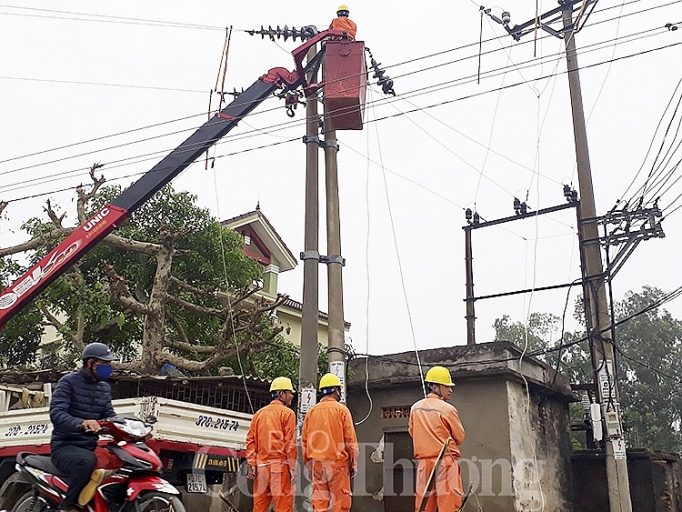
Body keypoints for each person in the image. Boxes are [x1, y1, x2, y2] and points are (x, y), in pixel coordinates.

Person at [49, 342, 117, 512]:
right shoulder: (68, 382)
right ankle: (68, 507)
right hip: (65, 446)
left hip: (89, 446)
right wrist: (81, 423)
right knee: (86, 461)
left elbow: (110, 416)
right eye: (105, 363)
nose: (109, 367)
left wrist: (134, 428)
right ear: (90, 363)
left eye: (110, 363)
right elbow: (57, 414)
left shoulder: (104, 388)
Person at [408, 366, 466, 512]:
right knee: (448, 505)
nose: (450, 389)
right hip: (445, 462)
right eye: (446, 386)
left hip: (423, 464)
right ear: (434, 387)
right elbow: (460, 437)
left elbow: (412, 433)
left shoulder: (415, 408)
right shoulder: (448, 409)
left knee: (424, 506)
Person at [302, 373, 358, 512]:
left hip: (317, 465)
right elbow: (350, 439)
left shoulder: (311, 412)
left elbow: (305, 442)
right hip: (338, 464)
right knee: (341, 503)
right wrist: (353, 462)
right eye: (339, 390)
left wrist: (309, 466)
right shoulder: (342, 410)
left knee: (320, 503)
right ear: (336, 390)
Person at [246, 376, 297, 512]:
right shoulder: (288, 414)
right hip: (279, 468)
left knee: (259, 507)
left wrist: (252, 464)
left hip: (261, 468)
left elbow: (251, 440)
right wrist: (292, 468)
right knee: (283, 507)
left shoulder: (258, 414)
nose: (292, 396)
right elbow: (290, 443)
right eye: (290, 392)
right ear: (282, 394)